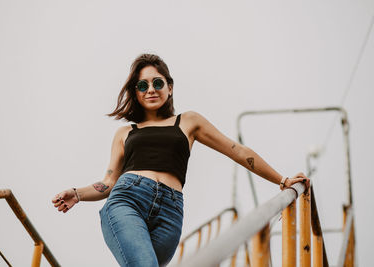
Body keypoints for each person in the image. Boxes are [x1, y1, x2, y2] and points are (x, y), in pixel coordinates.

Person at [52, 54, 310, 266]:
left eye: (157, 83)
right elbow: (108, 182)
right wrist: (77, 193)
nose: (150, 89)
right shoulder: (125, 133)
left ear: (170, 86)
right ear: (136, 91)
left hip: (170, 214)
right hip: (128, 199)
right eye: (142, 85)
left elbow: (237, 150)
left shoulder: (188, 121)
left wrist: (283, 179)